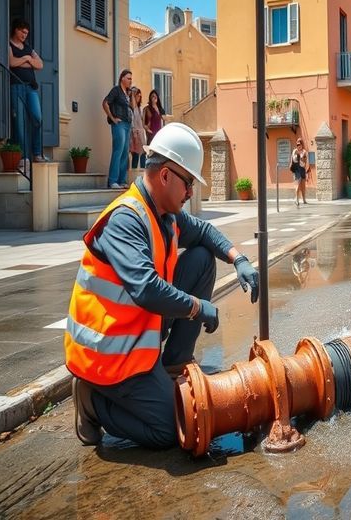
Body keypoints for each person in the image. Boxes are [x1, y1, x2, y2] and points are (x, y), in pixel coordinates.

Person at [65, 122, 260, 450]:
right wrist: (198, 307)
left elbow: (203, 233)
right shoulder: (126, 220)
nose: (190, 193)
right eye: (188, 183)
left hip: (137, 334)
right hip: (107, 355)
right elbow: (146, 288)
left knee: (201, 259)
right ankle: (90, 402)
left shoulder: (164, 213)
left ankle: (172, 366)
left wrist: (238, 258)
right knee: (175, 429)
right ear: (166, 175)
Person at [8, 18, 46, 163]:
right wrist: (27, 59)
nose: (25, 35)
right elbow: (11, 62)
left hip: (31, 87)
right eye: (23, 32)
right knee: (19, 122)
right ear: (16, 30)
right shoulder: (9, 45)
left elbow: (40, 64)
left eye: (26, 33)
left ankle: (37, 154)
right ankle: (23, 157)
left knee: (37, 118)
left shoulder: (29, 48)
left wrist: (26, 60)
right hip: (16, 86)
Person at [102, 69, 133, 189]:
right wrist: (112, 118)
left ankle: (122, 180)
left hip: (127, 124)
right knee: (118, 150)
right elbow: (105, 103)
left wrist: (132, 96)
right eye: (129, 78)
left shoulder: (127, 93)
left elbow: (133, 108)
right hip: (119, 124)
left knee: (125, 152)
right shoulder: (116, 90)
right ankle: (112, 180)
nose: (131, 81)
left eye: (131, 78)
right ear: (122, 79)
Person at [129, 87, 147, 170]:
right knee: (135, 153)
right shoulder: (132, 108)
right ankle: (134, 172)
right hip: (135, 133)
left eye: (140, 96)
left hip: (141, 133)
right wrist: (132, 93)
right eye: (137, 96)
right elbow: (133, 122)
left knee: (143, 153)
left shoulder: (139, 108)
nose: (138, 98)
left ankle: (143, 171)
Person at [291, 138, 309, 206]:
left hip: (302, 169)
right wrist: (297, 155)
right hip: (297, 169)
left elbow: (305, 161)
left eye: (300, 144)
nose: (299, 146)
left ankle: (304, 200)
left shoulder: (304, 152)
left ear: (302, 144)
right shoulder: (294, 151)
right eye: (297, 144)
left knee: (303, 186)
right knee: (298, 185)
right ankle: (297, 200)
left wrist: (307, 172)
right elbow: (294, 160)